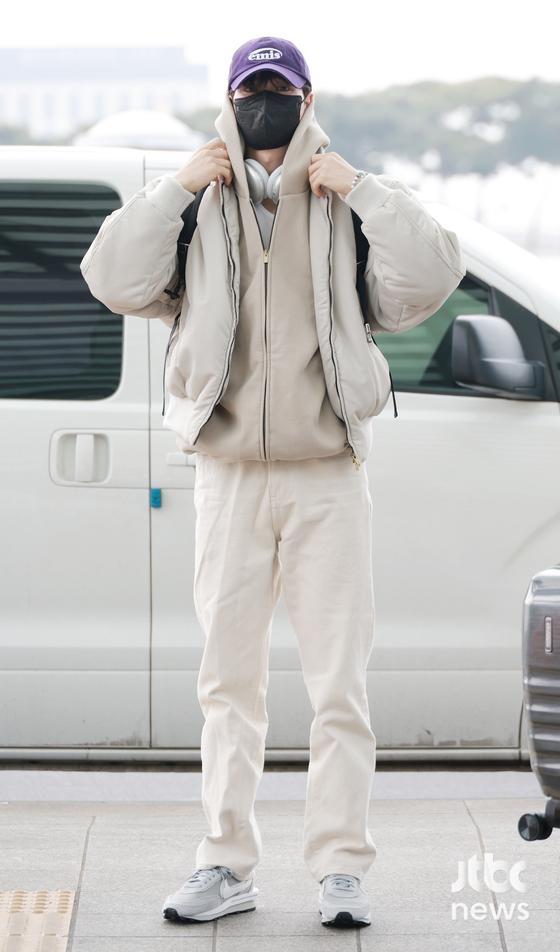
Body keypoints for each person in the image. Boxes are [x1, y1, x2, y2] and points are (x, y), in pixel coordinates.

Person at [80, 35, 466, 929]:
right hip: (226, 474)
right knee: (228, 684)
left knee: (340, 686)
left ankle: (340, 870)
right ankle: (226, 863)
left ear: (304, 96)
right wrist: (178, 185)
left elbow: (433, 271)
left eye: (277, 90)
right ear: (229, 98)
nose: (264, 103)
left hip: (329, 472)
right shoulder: (196, 198)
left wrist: (357, 186)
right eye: (251, 89)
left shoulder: (342, 193)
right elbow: (111, 277)